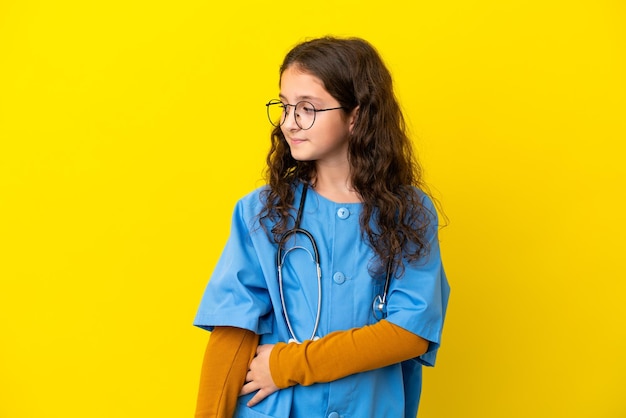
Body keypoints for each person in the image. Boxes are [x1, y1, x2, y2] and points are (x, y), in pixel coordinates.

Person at [194, 36, 450, 418]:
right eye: (284, 106)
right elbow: (232, 333)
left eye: (307, 108)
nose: (289, 123)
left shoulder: (410, 213)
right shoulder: (261, 212)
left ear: (356, 116)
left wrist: (287, 365)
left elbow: (409, 332)